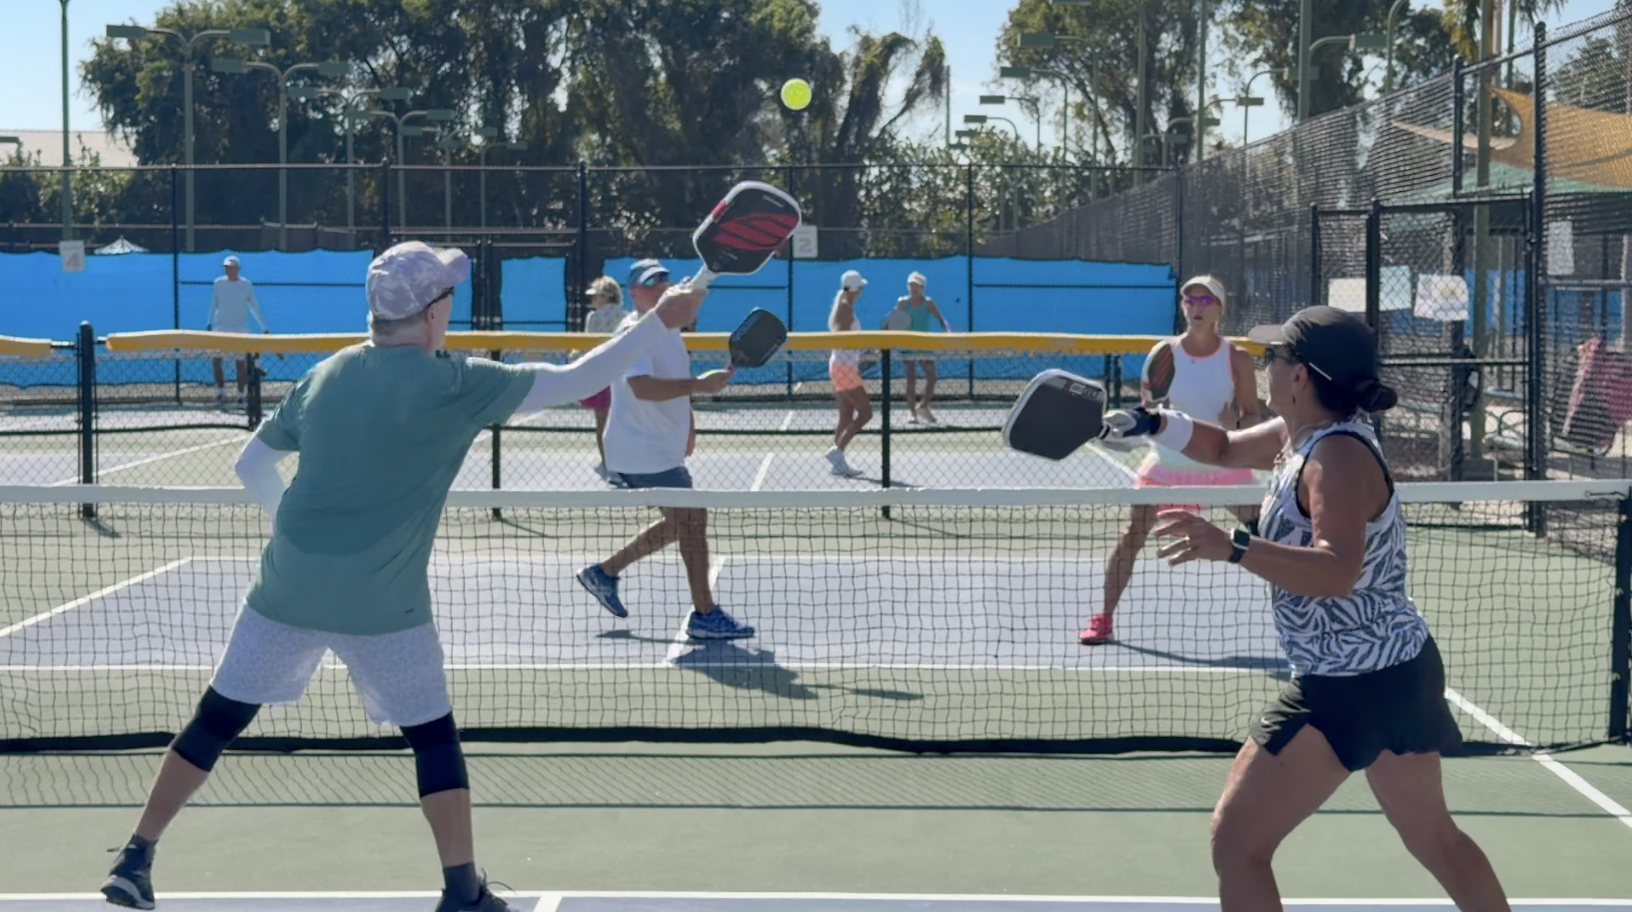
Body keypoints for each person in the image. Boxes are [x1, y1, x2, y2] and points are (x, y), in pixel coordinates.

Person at [99, 242, 704, 912]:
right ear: (432, 312)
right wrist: (659, 322)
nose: (452, 303)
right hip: (385, 605)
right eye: (447, 293)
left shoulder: (326, 374)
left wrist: (296, 537)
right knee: (432, 737)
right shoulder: (456, 383)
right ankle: (462, 890)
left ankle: (136, 854)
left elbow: (251, 465)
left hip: (287, 587)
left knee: (215, 720)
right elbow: (579, 378)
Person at [1099, 305, 1510, 912]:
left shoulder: (1335, 460)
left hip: (1349, 686)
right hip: (1400, 672)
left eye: (1273, 358)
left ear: (1299, 378)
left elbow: (1337, 571)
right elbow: (1221, 446)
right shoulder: (1303, 434)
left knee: (1236, 842)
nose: (1264, 368)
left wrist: (1233, 545)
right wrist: (1150, 421)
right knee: (1436, 840)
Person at [575, 259, 754, 641]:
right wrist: (699, 386)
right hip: (640, 449)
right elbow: (642, 387)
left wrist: (688, 423)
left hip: (657, 446)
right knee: (692, 520)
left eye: (664, 281)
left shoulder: (669, 329)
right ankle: (705, 614)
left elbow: (671, 380)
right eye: (650, 283)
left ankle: (604, 572)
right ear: (634, 294)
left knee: (683, 521)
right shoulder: (637, 330)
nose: (660, 286)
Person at [1082, 275, 1261, 646]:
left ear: (1219, 310)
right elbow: (1152, 411)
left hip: (1223, 464)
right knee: (1132, 536)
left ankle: (1311, 611)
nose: (1196, 306)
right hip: (1166, 466)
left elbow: (1252, 416)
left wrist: (1236, 424)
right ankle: (1104, 618)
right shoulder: (1165, 353)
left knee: (1270, 534)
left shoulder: (1237, 358)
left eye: (1205, 300)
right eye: (1189, 299)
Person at [580, 275, 628, 483]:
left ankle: (609, 465)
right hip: (623, 375)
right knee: (623, 421)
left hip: (600, 374)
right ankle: (624, 463)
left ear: (607, 297)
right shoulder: (628, 317)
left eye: (596, 296)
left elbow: (589, 346)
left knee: (602, 422)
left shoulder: (594, 317)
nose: (593, 301)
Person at [885, 271, 949, 424]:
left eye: (917, 286)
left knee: (932, 376)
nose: (913, 288)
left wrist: (948, 333)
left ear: (922, 288)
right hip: (908, 345)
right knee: (911, 379)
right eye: (911, 285)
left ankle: (924, 405)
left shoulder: (929, 303)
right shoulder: (902, 302)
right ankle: (912, 413)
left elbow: (941, 320)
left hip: (924, 345)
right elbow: (893, 321)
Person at [207, 255, 270, 409]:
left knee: (241, 364)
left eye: (231, 267)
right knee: (216, 360)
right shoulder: (218, 283)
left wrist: (264, 327)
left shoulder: (246, 285)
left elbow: (254, 307)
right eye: (226, 268)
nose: (229, 270)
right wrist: (209, 323)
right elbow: (214, 303)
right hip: (220, 328)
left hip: (240, 329)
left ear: (238, 269)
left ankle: (241, 397)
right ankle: (221, 394)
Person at [826, 269, 871, 477]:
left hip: (843, 366)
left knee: (846, 414)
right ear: (854, 290)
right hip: (844, 368)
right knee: (866, 412)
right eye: (860, 288)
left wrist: (864, 347)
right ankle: (838, 450)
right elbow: (845, 339)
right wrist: (865, 344)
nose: (861, 291)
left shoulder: (844, 307)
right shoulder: (845, 309)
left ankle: (837, 462)